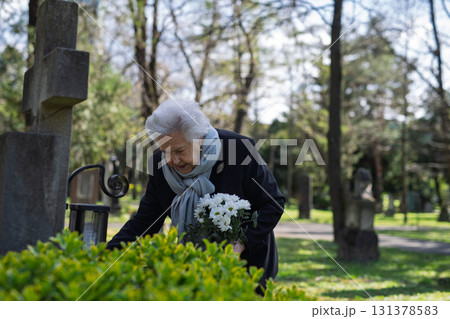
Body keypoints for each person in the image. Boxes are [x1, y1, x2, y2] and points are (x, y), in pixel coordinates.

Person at [107, 98, 285, 291]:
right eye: (164, 151)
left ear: (199, 138)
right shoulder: (159, 166)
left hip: (247, 269)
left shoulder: (240, 150)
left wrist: (241, 242)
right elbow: (143, 223)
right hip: (191, 269)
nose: (172, 160)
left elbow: (273, 203)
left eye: (179, 150)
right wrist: (104, 257)